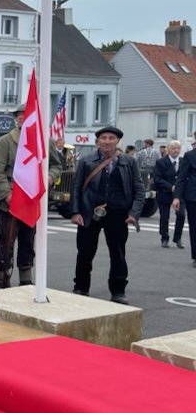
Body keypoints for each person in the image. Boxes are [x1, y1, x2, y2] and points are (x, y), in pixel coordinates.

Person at [0, 105, 62, 288]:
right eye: (19, 116)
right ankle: (2, 277)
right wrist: (7, 195)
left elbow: (56, 165)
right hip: (10, 201)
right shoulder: (5, 141)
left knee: (28, 240)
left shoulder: (43, 141)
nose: (22, 118)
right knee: (6, 240)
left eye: (25, 115)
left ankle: (25, 278)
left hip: (31, 199)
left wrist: (49, 177)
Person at [70, 126, 145, 304]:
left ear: (117, 141)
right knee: (85, 252)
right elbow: (76, 187)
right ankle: (81, 286)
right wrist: (75, 212)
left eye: (111, 138)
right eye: (103, 138)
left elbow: (139, 188)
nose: (107, 141)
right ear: (98, 141)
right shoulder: (87, 161)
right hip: (90, 212)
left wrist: (134, 213)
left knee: (118, 253)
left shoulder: (129, 162)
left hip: (118, 213)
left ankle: (118, 290)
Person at [153, 140, 185, 248]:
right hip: (165, 192)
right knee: (164, 217)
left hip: (180, 194)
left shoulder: (184, 161)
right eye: (173, 148)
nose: (176, 150)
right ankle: (164, 237)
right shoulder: (161, 162)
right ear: (168, 149)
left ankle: (178, 238)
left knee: (181, 215)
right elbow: (157, 178)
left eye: (178, 148)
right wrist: (170, 186)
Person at [172, 131, 196, 267]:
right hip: (193, 196)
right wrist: (177, 198)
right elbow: (181, 178)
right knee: (194, 227)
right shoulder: (189, 156)